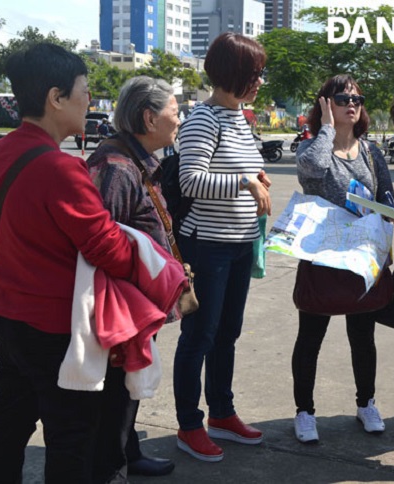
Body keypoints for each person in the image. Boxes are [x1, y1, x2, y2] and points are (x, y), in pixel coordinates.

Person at [0, 42, 142, 483]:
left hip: (8, 313)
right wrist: (150, 258)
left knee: (9, 423)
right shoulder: (61, 169)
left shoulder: (2, 151)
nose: (89, 99)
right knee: (72, 435)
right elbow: (108, 247)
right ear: (56, 97)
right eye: (84, 90)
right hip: (54, 328)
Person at [172, 32, 272, 463]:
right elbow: (190, 181)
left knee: (227, 334)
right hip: (207, 246)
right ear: (233, 74)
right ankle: (189, 424)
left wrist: (257, 177)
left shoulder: (240, 119)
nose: (260, 82)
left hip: (238, 245)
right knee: (199, 335)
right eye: (255, 74)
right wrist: (245, 182)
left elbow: (240, 172)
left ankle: (222, 412)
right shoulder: (204, 119)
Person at [292, 74, 394, 444]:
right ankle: (304, 411)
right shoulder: (312, 148)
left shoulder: (371, 151)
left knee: (362, 336)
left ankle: (366, 403)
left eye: (357, 98)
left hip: (361, 257)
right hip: (321, 256)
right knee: (311, 336)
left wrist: (386, 213)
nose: (351, 103)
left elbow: (387, 197)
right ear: (325, 104)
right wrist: (325, 128)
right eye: (341, 98)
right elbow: (313, 170)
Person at [86, 76, 180, 479]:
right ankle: (112, 467)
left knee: (128, 386)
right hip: (124, 306)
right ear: (148, 116)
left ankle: (128, 451)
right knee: (117, 392)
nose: (179, 121)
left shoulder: (134, 160)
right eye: (174, 113)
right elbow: (103, 244)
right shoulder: (117, 168)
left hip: (137, 302)